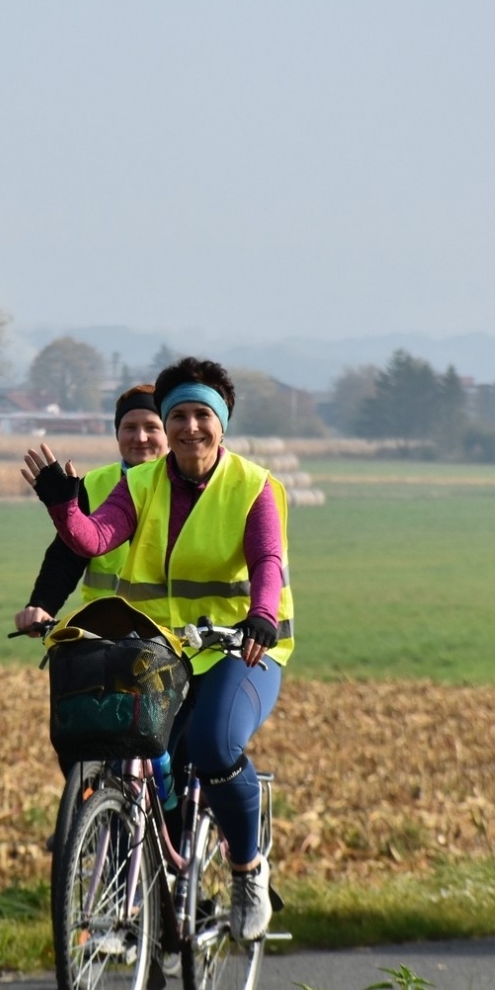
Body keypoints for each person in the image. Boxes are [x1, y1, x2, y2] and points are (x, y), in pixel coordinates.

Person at [21, 356, 293, 943]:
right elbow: (94, 540)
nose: (190, 428)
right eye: (179, 417)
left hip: (239, 648)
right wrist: (63, 505)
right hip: (160, 648)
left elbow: (268, 561)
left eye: (203, 416)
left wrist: (262, 617)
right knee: (132, 744)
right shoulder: (138, 483)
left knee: (214, 745)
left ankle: (247, 871)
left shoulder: (254, 487)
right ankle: (158, 872)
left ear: (222, 423)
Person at [13, 384, 167, 635]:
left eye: (152, 427)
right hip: (106, 632)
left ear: (169, 432)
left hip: (173, 633)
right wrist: (41, 605)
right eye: (129, 427)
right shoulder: (93, 485)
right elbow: (65, 557)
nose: (140, 437)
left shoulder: (187, 486)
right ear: (117, 433)